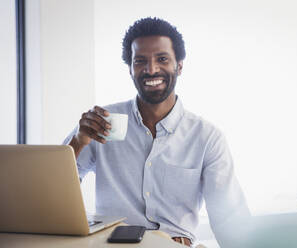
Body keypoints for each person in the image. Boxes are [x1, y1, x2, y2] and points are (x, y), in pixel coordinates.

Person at [64, 17, 250, 247]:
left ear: (179, 65)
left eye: (162, 59)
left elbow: (229, 218)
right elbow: (52, 190)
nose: (151, 69)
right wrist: (78, 142)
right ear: (130, 69)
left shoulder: (206, 137)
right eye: (140, 61)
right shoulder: (100, 123)